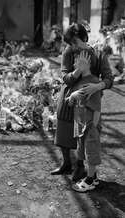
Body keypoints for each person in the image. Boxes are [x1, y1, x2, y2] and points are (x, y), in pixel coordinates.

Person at [51, 23, 113, 182]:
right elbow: (65, 77)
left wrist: (97, 86)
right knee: (64, 129)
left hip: (89, 100)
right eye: (70, 43)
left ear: (84, 37)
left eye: (75, 42)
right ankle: (66, 163)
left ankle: (85, 169)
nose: (73, 46)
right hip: (69, 95)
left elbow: (109, 79)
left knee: (88, 134)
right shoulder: (68, 52)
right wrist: (78, 70)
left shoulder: (99, 54)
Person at [66, 51, 102, 192]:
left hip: (89, 125)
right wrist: (71, 99)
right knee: (85, 151)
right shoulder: (80, 81)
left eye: (77, 61)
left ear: (86, 62)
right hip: (81, 123)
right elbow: (75, 100)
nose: (74, 64)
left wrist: (93, 126)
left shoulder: (93, 82)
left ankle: (90, 180)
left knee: (91, 151)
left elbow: (97, 108)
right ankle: (93, 176)